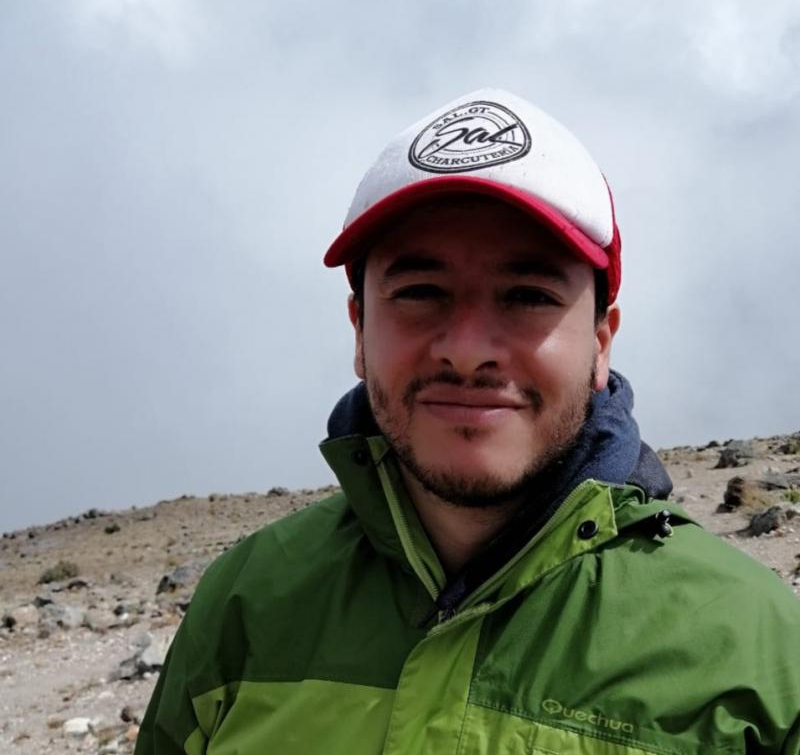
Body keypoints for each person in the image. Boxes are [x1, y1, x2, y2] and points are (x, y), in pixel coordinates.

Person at [136, 89, 800, 754]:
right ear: (360, 331)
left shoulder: (756, 654)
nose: (468, 348)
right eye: (420, 292)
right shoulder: (244, 605)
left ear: (602, 341)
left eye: (528, 297)